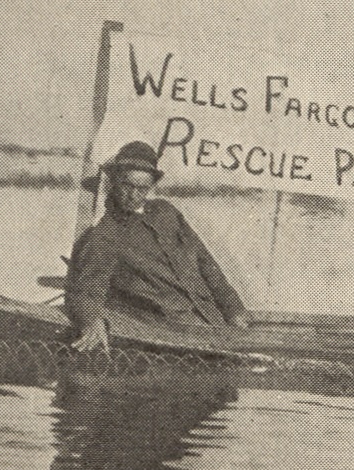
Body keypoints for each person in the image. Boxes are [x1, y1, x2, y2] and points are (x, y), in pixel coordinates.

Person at [66, 141, 251, 351]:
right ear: (115, 181)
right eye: (128, 185)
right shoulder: (106, 235)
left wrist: (233, 308)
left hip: (214, 320)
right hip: (170, 335)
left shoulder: (167, 212)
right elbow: (86, 290)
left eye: (142, 188)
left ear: (151, 186)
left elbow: (206, 263)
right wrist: (91, 320)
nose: (134, 195)